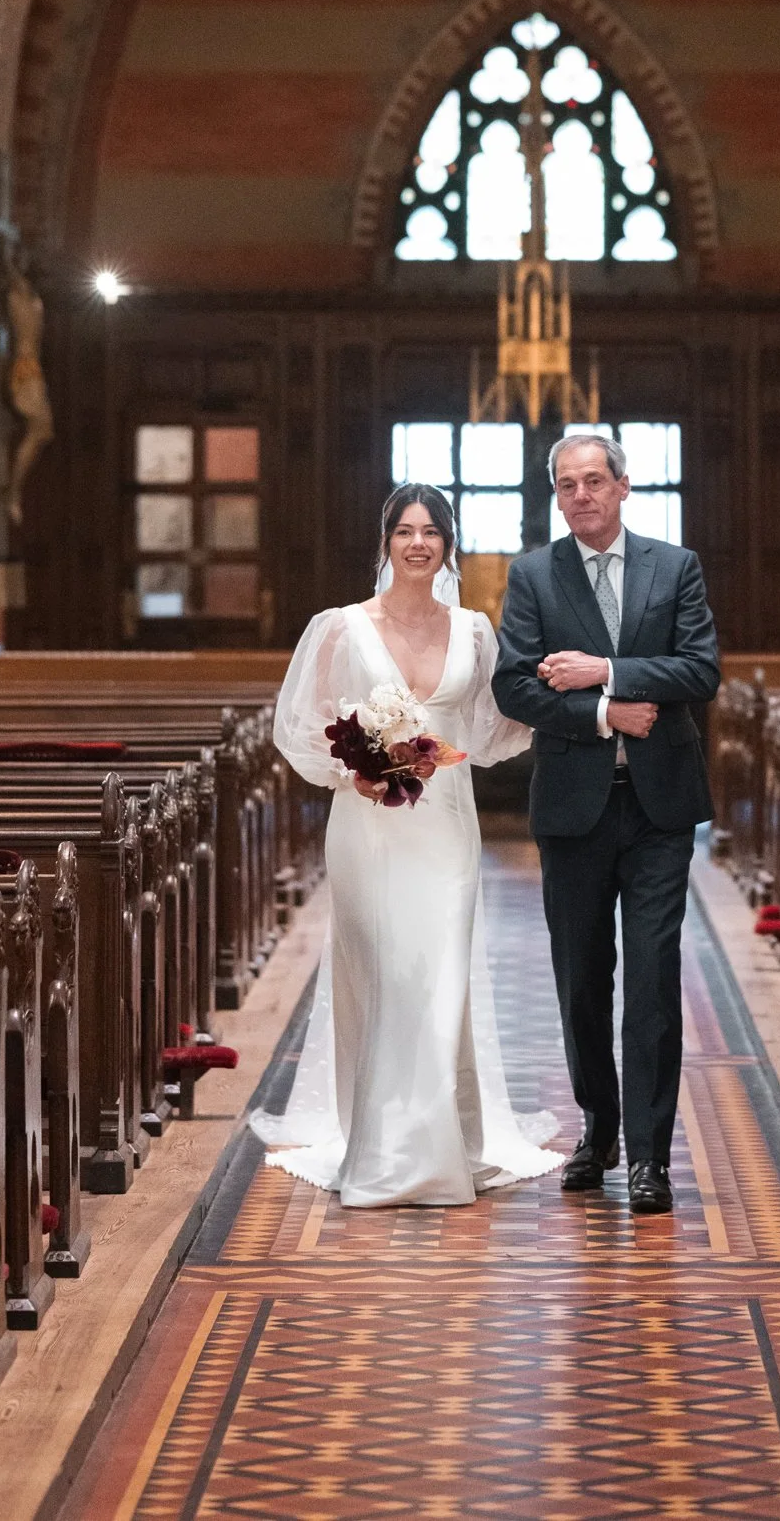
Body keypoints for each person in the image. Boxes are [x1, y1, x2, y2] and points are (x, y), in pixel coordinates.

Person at [250, 483, 562, 1207]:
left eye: (431, 532)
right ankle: (379, 1148)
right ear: (385, 542)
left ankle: (436, 1145)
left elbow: (489, 732)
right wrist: (350, 769)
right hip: (368, 831)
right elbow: (302, 726)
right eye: (404, 531)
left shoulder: (474, 631)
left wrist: (552, 693)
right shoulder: (340, 627)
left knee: (439, 976)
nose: (418, 543)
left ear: (447, 545)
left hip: (445, 828)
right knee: (384, 975)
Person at [492, 434, 720, 1216]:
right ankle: (599, 1129)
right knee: (581, 980)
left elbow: (701, 670)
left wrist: (603, 670)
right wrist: (601, 712)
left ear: (623, 487)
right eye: (566, 485)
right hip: (573, 808)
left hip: (658, 807)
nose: (581, 495)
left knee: (653, 981)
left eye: (594, 481)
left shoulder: (673, 566)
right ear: (555, 496)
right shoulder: (533, 574)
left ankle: (652, 1157)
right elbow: (514, 687)